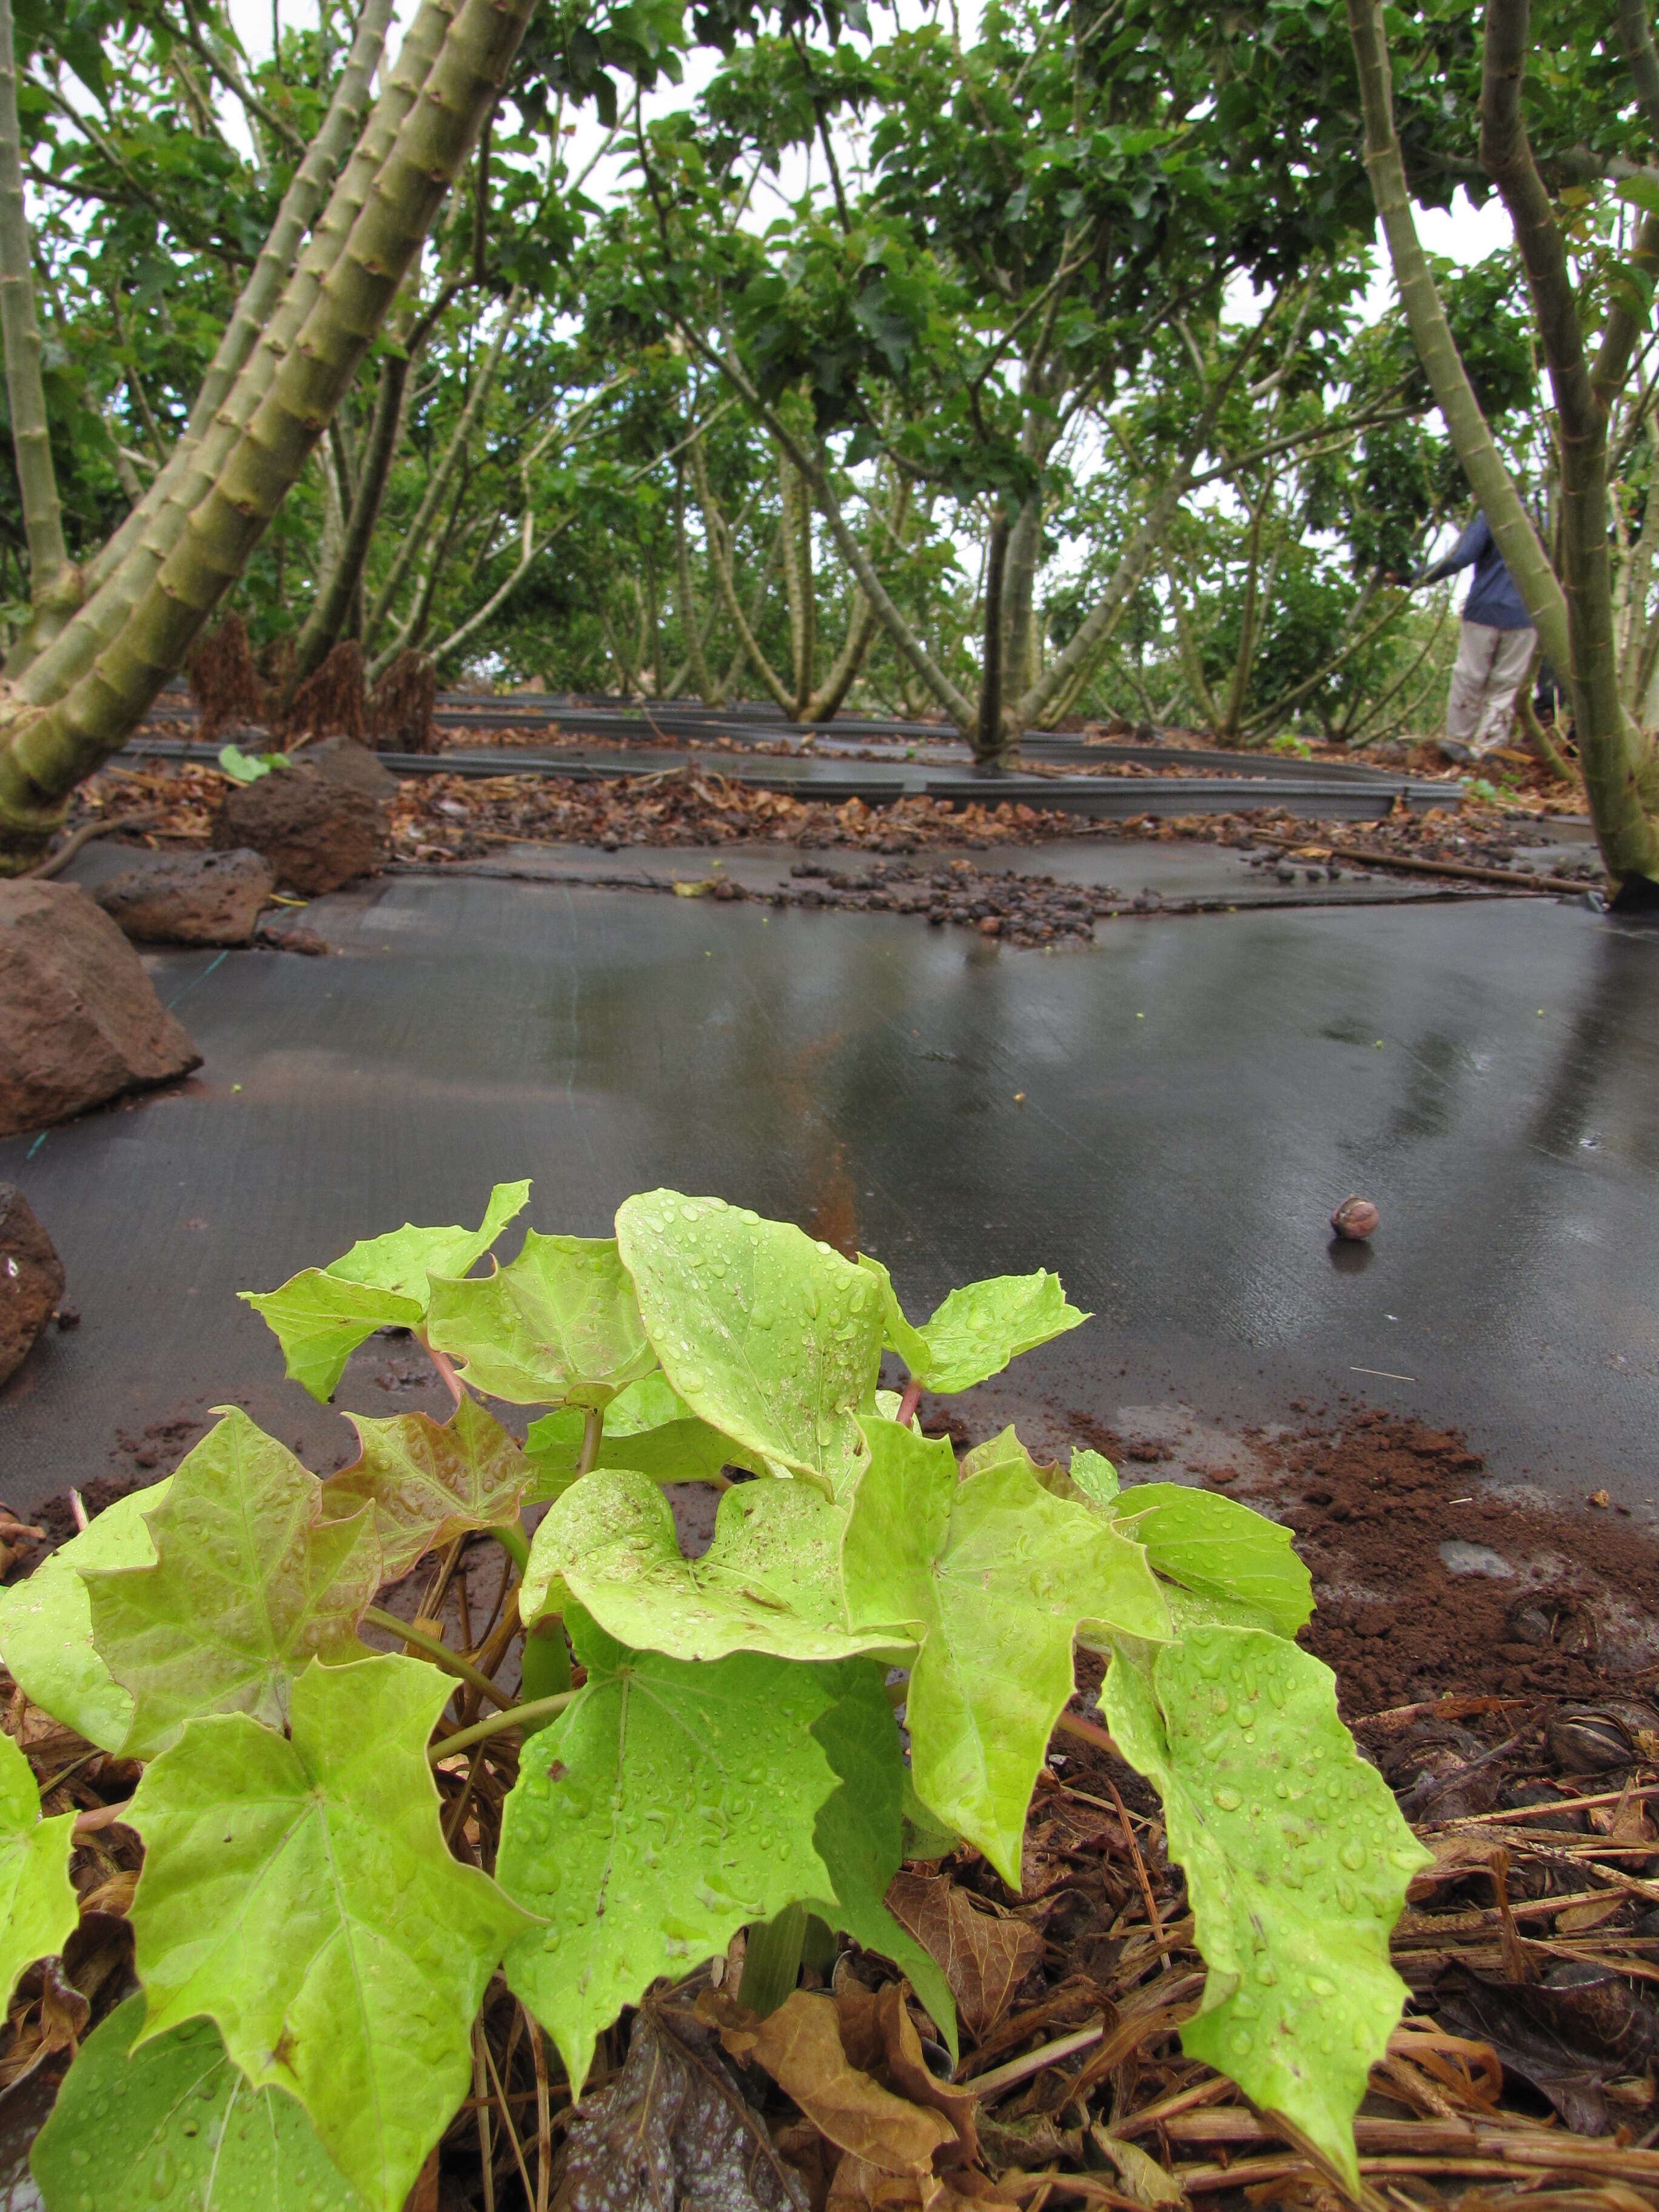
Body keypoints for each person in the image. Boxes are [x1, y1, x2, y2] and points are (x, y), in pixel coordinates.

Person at [1404, 509, 1537, 763]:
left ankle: (1458, 745)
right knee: (1506, 686)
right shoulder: (1539, 518)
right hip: (1526, 616)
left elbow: (1459, 558)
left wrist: (1414, 577)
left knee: (1469, 677)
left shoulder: (1491, 513)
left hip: (1484, 611)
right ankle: (1489, 751)